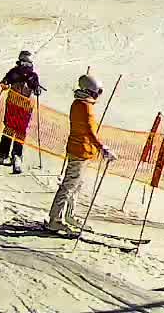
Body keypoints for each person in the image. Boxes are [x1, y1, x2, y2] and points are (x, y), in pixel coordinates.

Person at [47, 73, 113, 235]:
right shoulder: (85, 106)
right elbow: (89, 131)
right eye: (97, 92)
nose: (97, 96)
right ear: (90, 91)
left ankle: (69, 215)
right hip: (80, 150)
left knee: (76, 185)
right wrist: (102, 148)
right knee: (69, 185)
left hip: (81, 150)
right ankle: (55, 220)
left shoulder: (79, 103)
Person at [0, 50, 42, 173]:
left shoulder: (33, 76)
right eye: (24, 63)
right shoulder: (14, 72)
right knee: (9, 129)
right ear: (20, 62)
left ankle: (17, 156)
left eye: (28, 64)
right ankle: (2, 154)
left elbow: (36, 87)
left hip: (25, 108)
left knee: (20, 131)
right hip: (12, 105)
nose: (26, 67)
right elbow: (6, 80)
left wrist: (37, 89)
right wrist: (5, 83)